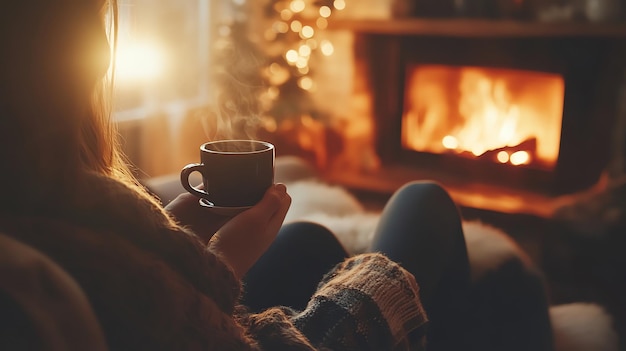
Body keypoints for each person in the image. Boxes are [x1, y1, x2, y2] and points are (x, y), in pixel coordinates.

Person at [0, 0, 475, 350]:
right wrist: (223, 262)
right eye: (99, 19)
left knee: (307, 239)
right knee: (424, 203)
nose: (104, 51)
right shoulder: (35, 276)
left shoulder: (38, 200)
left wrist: (174, 234)